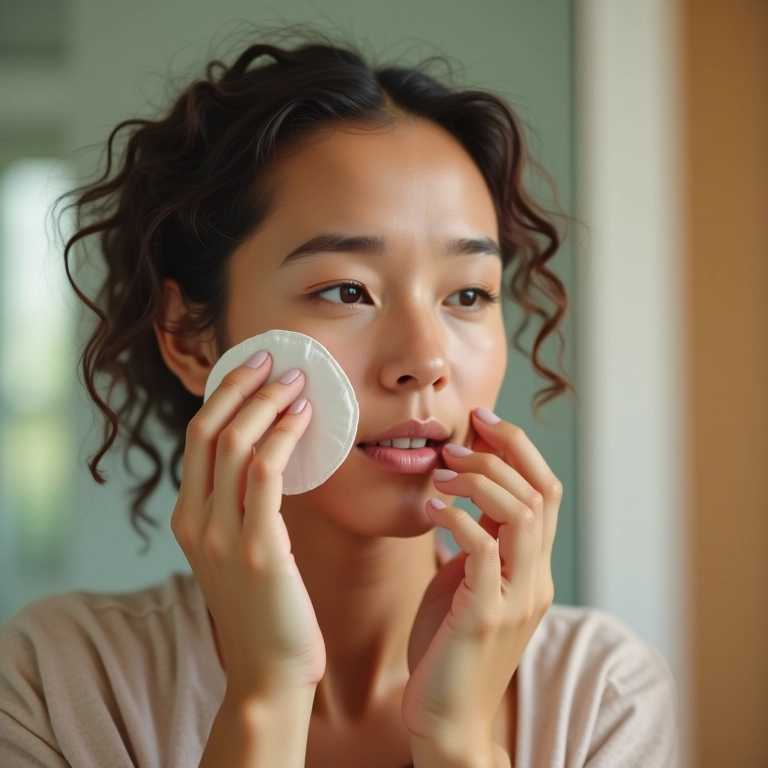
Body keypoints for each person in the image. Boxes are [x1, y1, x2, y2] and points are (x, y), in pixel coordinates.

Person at [0, 27, 679, 768]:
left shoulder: (602, 693)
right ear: (191, 337)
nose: (424, 360)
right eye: (347, 290)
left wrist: (455, 739)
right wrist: (265, 699)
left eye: (468, 295)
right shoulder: (56, 684)